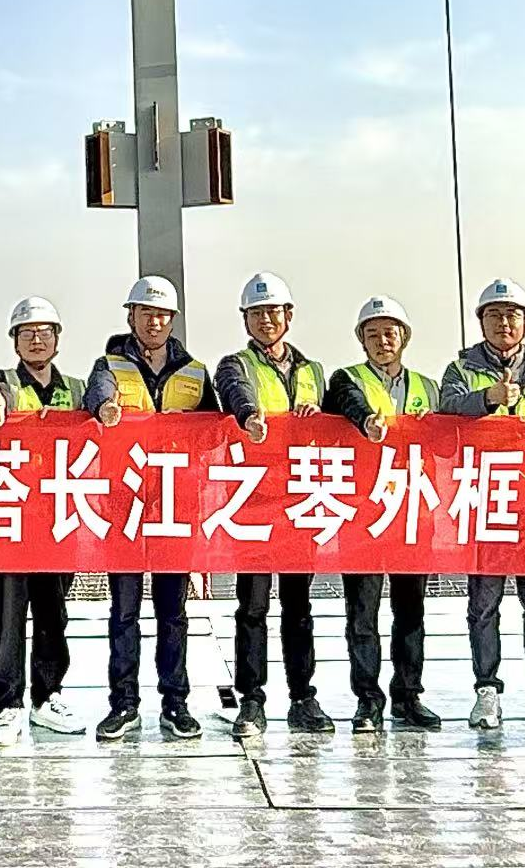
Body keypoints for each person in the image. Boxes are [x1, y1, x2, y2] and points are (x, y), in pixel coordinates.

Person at [439, 279, 525, 732]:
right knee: (484, 603)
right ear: (481, 322)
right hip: (485, 497)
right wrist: (487, 399)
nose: (503, 323)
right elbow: (446, 409)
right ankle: (487, 690)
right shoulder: (461, 368)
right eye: (494, 315)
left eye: (512, 315)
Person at [83, 275, 214, 743]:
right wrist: (107, 410)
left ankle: (175, 703)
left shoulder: (195, 372)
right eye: (145, 313)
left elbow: (213, 431)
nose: (154, 322)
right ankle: (123, 704)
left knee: (172, 612)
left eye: (162, 315)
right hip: (124, 505)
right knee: (124, 611)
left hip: (175, 507)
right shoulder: (109, 365)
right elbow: (96, 397)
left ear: (172, 320)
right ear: (131, 316)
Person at [214, 271, 332, 738]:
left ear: (289, 315)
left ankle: (303, 697)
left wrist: (317, 417)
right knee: (253, 606)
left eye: (273, 312)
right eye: (257, 313)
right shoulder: (236, 364)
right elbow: (234, 390)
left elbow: (333, 422)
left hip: (301, 500)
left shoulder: (313, 371)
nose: (266, 320)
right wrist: (250, 417)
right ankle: (252, 700)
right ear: (245, 318)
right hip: (256, 504)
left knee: (299, 606)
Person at [323, 296, 437, 733]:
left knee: (411, 612)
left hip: (411, 511)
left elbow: (449, 442)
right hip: (363, 513)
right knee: (362, 614)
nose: (382, 341)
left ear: (404, 337)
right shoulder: (346, 379)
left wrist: (432, 424)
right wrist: (368, 421)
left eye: (390, 333)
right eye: (372, 334)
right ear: (361, 341)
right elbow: (348, 403)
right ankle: (368, 699)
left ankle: (408, 696)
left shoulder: (428, 387)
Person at [0, 296, 86, 745]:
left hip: (58, 518)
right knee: (7, 616)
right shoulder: (2, 382)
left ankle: (48, 696)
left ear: (58, 339)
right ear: (15, 341)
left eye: (45, 332)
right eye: (27, 333)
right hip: (11, 521)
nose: (36, 340)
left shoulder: (77, 389)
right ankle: (8, 704)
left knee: (52, 613)